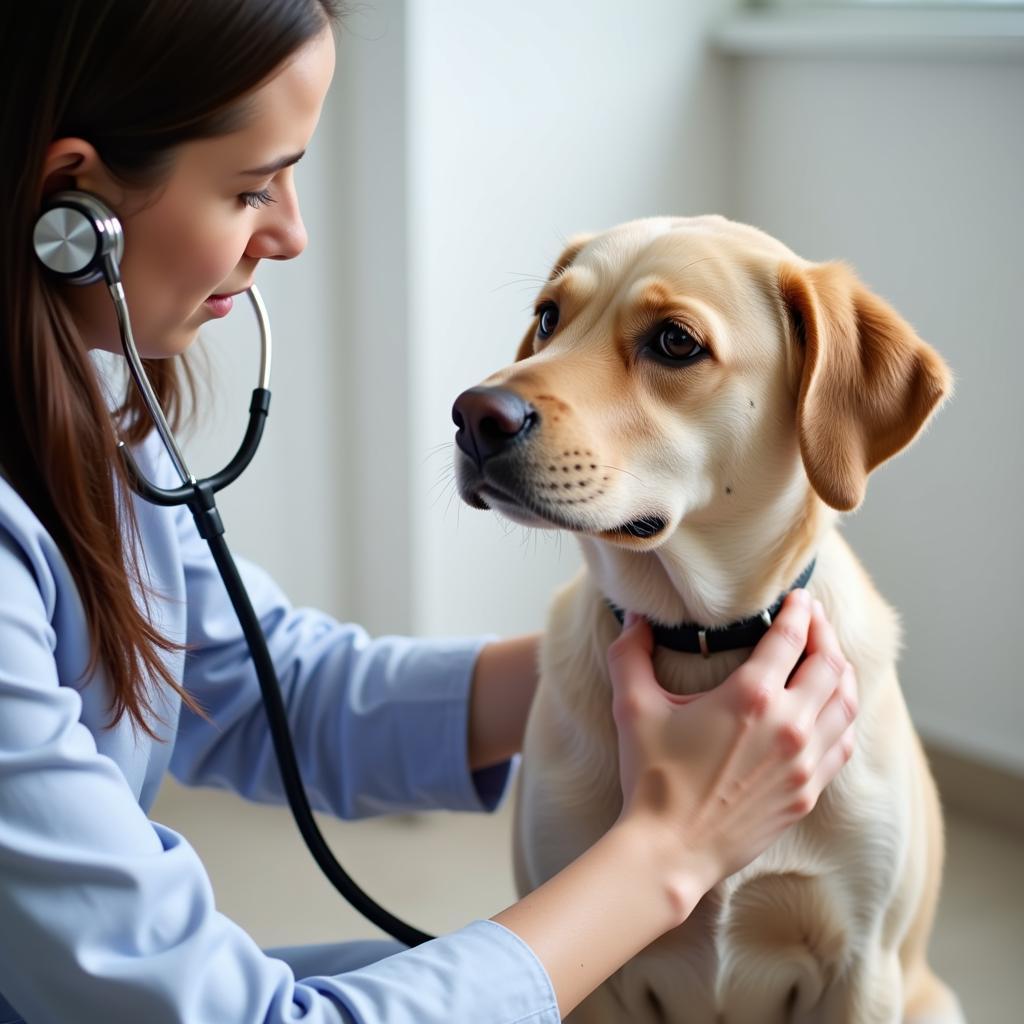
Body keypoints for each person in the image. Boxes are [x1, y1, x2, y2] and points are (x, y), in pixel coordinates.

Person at [0, 3, 858, 1022]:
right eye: (249, 187)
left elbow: (270, 685)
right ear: (72, 207)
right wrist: (671, 849)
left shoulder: (91, 417)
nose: (291, 232)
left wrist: (637, 658)